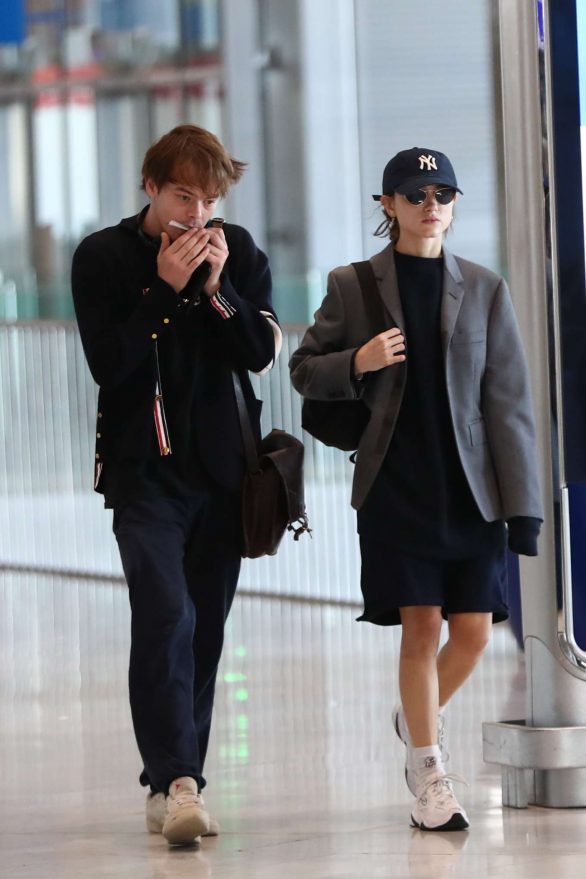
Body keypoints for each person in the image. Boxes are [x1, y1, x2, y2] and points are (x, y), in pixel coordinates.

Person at [289, 147, 542, 832]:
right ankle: (428, 769)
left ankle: (414, 715)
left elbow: (509, 404)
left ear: (454, 205)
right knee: (421, 627)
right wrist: (357, 360)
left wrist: (524, 508)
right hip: (395, 486)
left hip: (469, 492)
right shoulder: (353, 286)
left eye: (442, 193)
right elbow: (304, 370)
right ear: (388, 205)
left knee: (473, 634)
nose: (430, 205)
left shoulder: (486, 288)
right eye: (415, 193)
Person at [72, 124, 281, 845]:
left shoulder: (240, 251)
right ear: (151, 187)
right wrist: (163, 293)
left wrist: (218, 291)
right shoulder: (103, 256)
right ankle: (181, 780)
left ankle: (173, 777)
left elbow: (258, 352)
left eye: (208, 199)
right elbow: (111, 364)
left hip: (224, 476)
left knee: (206, 628)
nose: (196, 215)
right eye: (182, 196)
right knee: (166, 614)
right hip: (142, 477)